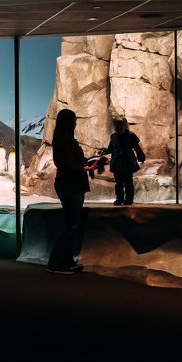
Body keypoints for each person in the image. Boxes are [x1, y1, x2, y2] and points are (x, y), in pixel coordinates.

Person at [47, 108, 98, 275]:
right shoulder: (63, 140)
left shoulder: (65, 139)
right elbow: (68, 165)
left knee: (72, 224)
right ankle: (55, 262)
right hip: (70, 185)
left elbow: (72, 162)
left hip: (72, 184)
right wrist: (87, 167)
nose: (76, 122)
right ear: (69, 122)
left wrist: (87, 163)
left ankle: (67, 261)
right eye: (74, 120)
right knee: (70, 225)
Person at [100, 117, 145, 205]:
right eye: (117, 125)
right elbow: (111, 149)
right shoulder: (113, 136)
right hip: (117, 161)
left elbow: (137, 148)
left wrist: (141, 157)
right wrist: (104, 151)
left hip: (127, 161)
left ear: (124, 125)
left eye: (120, 125)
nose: (118, 127)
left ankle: (128, 199)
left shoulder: (131, 135)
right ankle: (119, 198)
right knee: (118, 182)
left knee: (128, 181)